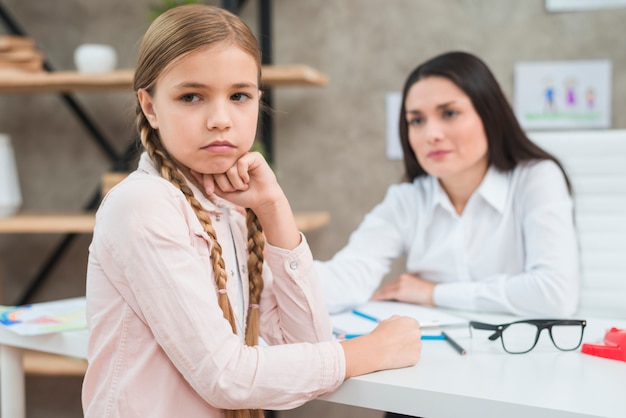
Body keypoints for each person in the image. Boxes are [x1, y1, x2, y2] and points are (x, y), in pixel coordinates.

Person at [81, 5, 422, 418]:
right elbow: (226, 377)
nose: (221, 120)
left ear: (259, 101)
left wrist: (274, 210)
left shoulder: (236, 207)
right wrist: (369, 350)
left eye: (239, 96)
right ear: (150, 107)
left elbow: (306, 346)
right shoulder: (143, 206)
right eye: (192, 96)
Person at [316, 51, 580, 318]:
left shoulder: (536, 178)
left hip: (522, 352)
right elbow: (349, 276)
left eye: (450, 113)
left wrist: (433, 293)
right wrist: (277, 267)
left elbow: (555, 295)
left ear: (490, 115)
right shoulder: (408, 199)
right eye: (417, 120)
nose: (431, 135)